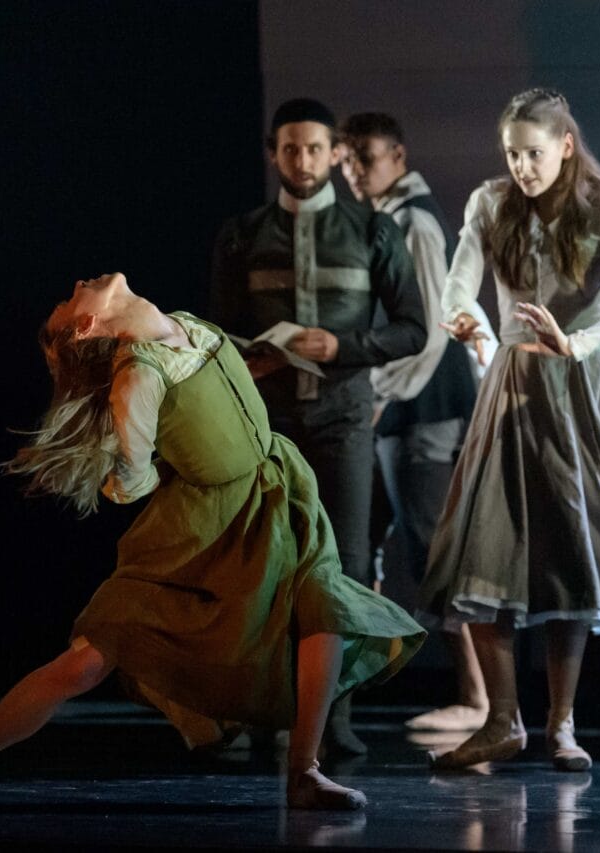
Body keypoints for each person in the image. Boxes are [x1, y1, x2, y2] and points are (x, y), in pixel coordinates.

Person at [0, 273, 425, 810]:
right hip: (205, 529)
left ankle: (303, 771)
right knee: (87, 662)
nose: (78, 285)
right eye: (69, 298)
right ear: (86, 327)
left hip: (277, 494)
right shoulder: (138, 374)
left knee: (322, 605)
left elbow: (216, 389)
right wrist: (134, 465)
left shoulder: (181, 322)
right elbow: (132, 482)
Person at [416, 88, 600, 772]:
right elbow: (458, 284)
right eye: (511, 154)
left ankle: (562, 722)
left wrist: (579, 342)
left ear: (565, 147)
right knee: (487, 544)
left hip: (585, 389)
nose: (522, 166)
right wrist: (470, 320)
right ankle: (502, 718)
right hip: (517, 383)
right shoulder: (491, 205)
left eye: (533, 153)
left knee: (572, 547)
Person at [211, 98, 427, 754]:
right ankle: (260, 711)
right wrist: (253, 354)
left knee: (348, 565)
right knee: (260, 563)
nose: (302, 161)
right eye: (289, 149)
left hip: (343, 420)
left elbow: (413, 327)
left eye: (314, 149)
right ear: (273, 152)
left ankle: (334, 716)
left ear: (336, 153)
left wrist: (343, 347)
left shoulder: (372, 229)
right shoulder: (242, 234)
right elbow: (218, 335)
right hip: (266, 425)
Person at [339, 111, 495, 734]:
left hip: (425, 407)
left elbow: (432, 326)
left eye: (366, 159)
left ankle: (480, 698)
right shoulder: (385, 217)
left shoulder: (416, 221)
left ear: (397, 156)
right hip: (401, 407)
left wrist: (381, 395)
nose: (357, 172)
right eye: (350, 161)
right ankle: (347, 684)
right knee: (363, 540)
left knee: (435, 549)